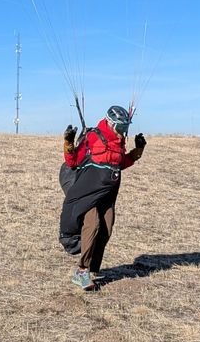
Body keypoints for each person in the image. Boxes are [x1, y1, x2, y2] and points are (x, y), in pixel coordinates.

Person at [58, 105, 147, 290]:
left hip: (106, 193)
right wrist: (68, 143)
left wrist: (138, 150)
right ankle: (81, 272)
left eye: (125, 128)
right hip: (86, 192)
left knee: (107, 225)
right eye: (120, 127)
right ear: (110, 123)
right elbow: (72, 162)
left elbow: (121, 162)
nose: (123, 132)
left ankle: (91, 266)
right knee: (93, 223)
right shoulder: (92, 137)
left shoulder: (118, 142)